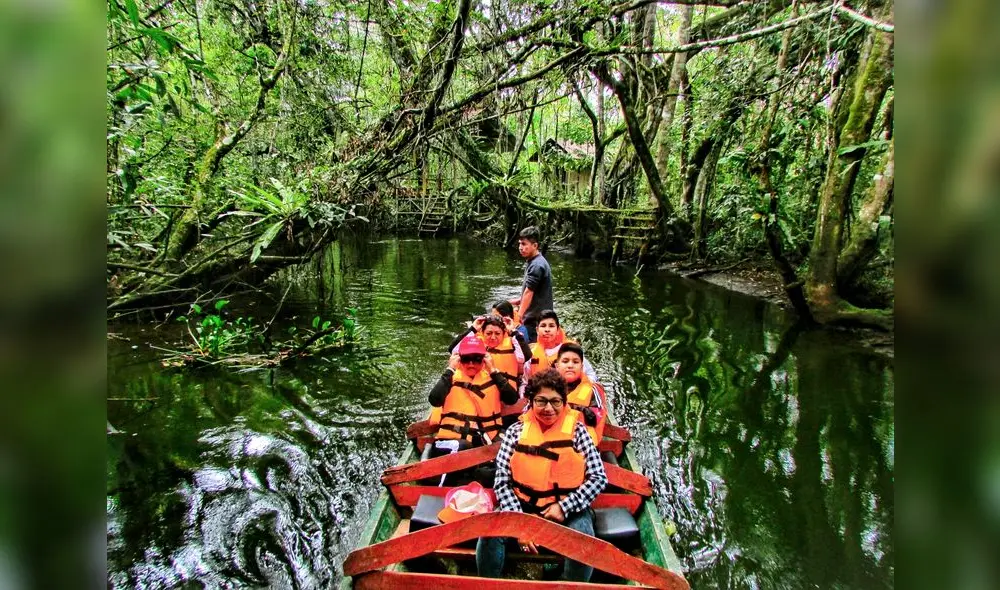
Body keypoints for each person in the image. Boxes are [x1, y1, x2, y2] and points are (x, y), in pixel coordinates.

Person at [476, 369, 607, 582]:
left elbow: (598, 477)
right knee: (488, 535)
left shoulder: (578, 432)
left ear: (564, 403)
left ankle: (571, 584)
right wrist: (519, 523)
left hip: (568, 508)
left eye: (556, 402)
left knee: (583, 539)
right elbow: (502, 480)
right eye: (541, 401)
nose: (548, 408)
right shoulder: (515, 432)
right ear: (531, 401)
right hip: (522, 505)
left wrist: (563, 507)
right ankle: (488, 584)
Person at [428, 333, 519, 447]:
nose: (471, 364)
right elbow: (434, 400)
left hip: (487, 437)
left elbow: (512, 399)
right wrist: (450, 369)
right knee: (462, 446)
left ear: (483, 359)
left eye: (476, 359)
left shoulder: (493, 377)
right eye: (466, 359)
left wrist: (493, 371)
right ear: (459, 359)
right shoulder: (449, 379)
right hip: (453, 440)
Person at [554, 342, 606, 444]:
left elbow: (595, 419)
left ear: (582, 367)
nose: (570, 365)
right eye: (565, 361)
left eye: (575, 362)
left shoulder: (592, 390)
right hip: (551, 438)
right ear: (557, 366)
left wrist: (577, 408)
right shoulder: (547, 387)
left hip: (581, 441)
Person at [509, 226, 553, 343]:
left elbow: (529, 292)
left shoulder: (536, 266)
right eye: (519, 244)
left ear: (535, 246)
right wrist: (519, 300)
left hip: (535, 320)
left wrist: (519, 316)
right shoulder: (535, 261)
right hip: (538, 314)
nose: (520, 248)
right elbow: (533, 290)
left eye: (524, 244)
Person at [528, 310, 598, 382]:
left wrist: (584, 391)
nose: (547, 330)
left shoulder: (572, 349)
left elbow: (590, 374)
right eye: (543, 326)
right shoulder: (532, 354)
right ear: (537, 330)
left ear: (558, 330)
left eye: (551, 326)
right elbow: (525, 381)